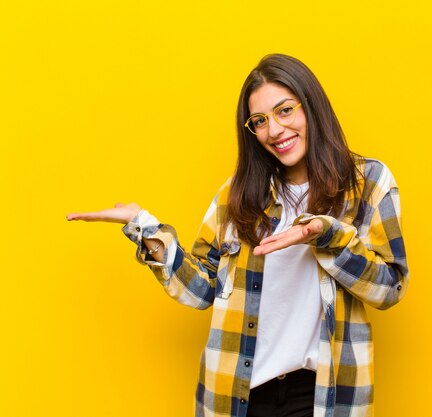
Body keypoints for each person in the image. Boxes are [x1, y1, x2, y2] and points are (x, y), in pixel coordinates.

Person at [67, 54, 409, 417]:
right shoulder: (237, 196)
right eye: (259, 121)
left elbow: (390, 288)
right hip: (238, 396)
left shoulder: (367, 183)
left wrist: (327, 236)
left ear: (311, 106)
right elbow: (203, 290)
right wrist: (144, 227)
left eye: (285, 111)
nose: (274, 131)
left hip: (320, 395)